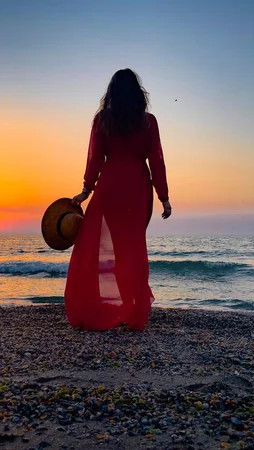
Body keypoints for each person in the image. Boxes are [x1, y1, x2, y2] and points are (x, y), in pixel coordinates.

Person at [65, 68, 171, 331]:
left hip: (110, 185)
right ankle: (131, 311)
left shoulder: (103, 120)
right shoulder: (148, 121)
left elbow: (95, 159)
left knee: (95, 245)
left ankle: (98, 307)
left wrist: (86, 189)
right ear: (138, 93)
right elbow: (156, 160)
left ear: (111, 93)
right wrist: (164, 197)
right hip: (136, 186)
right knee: (132, 247)